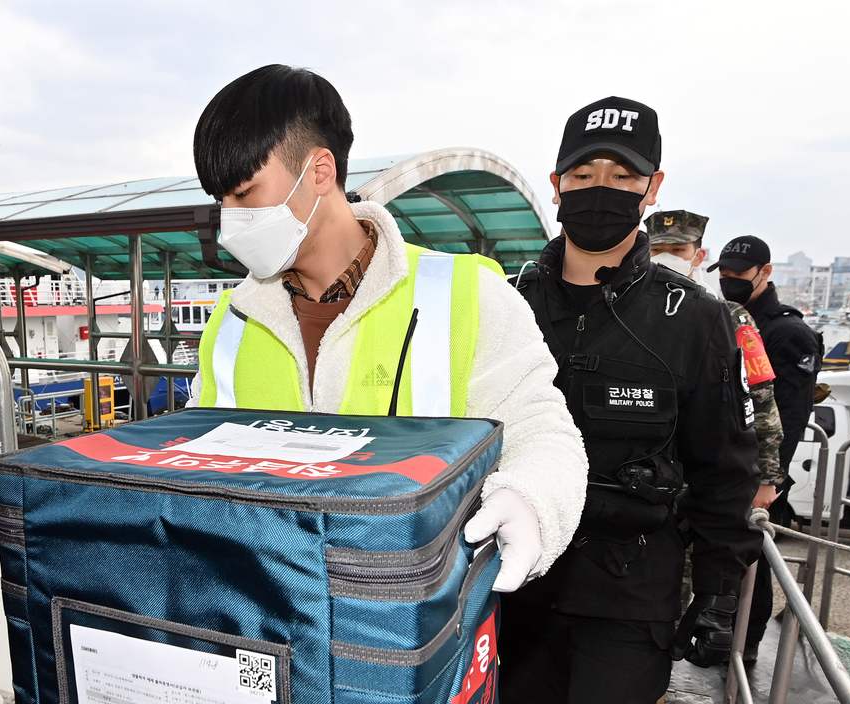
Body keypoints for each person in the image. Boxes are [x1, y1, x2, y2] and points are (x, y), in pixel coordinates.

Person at [481, 96, 760, 704]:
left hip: (633, 572)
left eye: (622, 174)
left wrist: (714, 593)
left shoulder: (696, 319)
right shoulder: (505, 304)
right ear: (557, 181)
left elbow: (724, 467)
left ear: (652, 184)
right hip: (525, 568)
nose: (600, 187)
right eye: (583, 172)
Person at [188, 65, 588, 593]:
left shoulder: (464, 294)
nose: (230, 219)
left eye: (244, 193)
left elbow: (540, 429)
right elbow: (192, 456)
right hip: (260, 611)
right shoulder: (230, 322)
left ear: (320, 172)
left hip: (402, 623)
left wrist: (532, 502)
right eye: (222, 201)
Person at [711, 235, 823, 662]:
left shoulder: (787, 332)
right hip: (727, 461)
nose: (729, 281)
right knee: (727, 551)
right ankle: (727, 630)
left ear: (765, 273)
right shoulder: (724, 317)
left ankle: (749, 642)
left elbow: (790, 415)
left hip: (759, 471)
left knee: (751, 559)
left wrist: (769, 477)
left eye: (738, 275)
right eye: (723, 274)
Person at [648, 211, 783, 511]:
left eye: (678, 250)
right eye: (657, 250)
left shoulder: (728, 316)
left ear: (698, 255)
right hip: (645, 472)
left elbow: (761, 399)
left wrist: (766, 477)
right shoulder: (628, 312)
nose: (666, 258)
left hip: (708, 471)